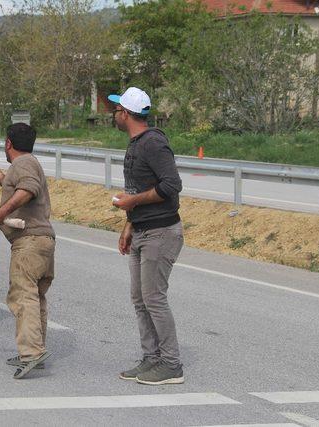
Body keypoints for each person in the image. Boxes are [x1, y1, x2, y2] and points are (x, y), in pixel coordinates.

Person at [109, 87, 185, 385]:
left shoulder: (153, 143)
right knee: (140, 299)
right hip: (141, 229)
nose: (113, 114)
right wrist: (129, 223)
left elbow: (172, 185)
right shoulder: (136, 143)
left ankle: (171, 364)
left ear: (126, 114)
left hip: (161, 232)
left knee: (154, 298)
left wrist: (133, 202)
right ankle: (151, 358)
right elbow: (139, 191)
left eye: (116, 110)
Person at [0, 123, 55, 379]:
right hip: (42, 241)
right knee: (35, 297)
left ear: (7, 143)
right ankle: (36, 350)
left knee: (22, 296)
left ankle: (32, 352)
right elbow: (24, 186)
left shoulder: (23, 163)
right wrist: (2, 179)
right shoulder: (28, 162)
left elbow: (28, 189)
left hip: (30, 242)